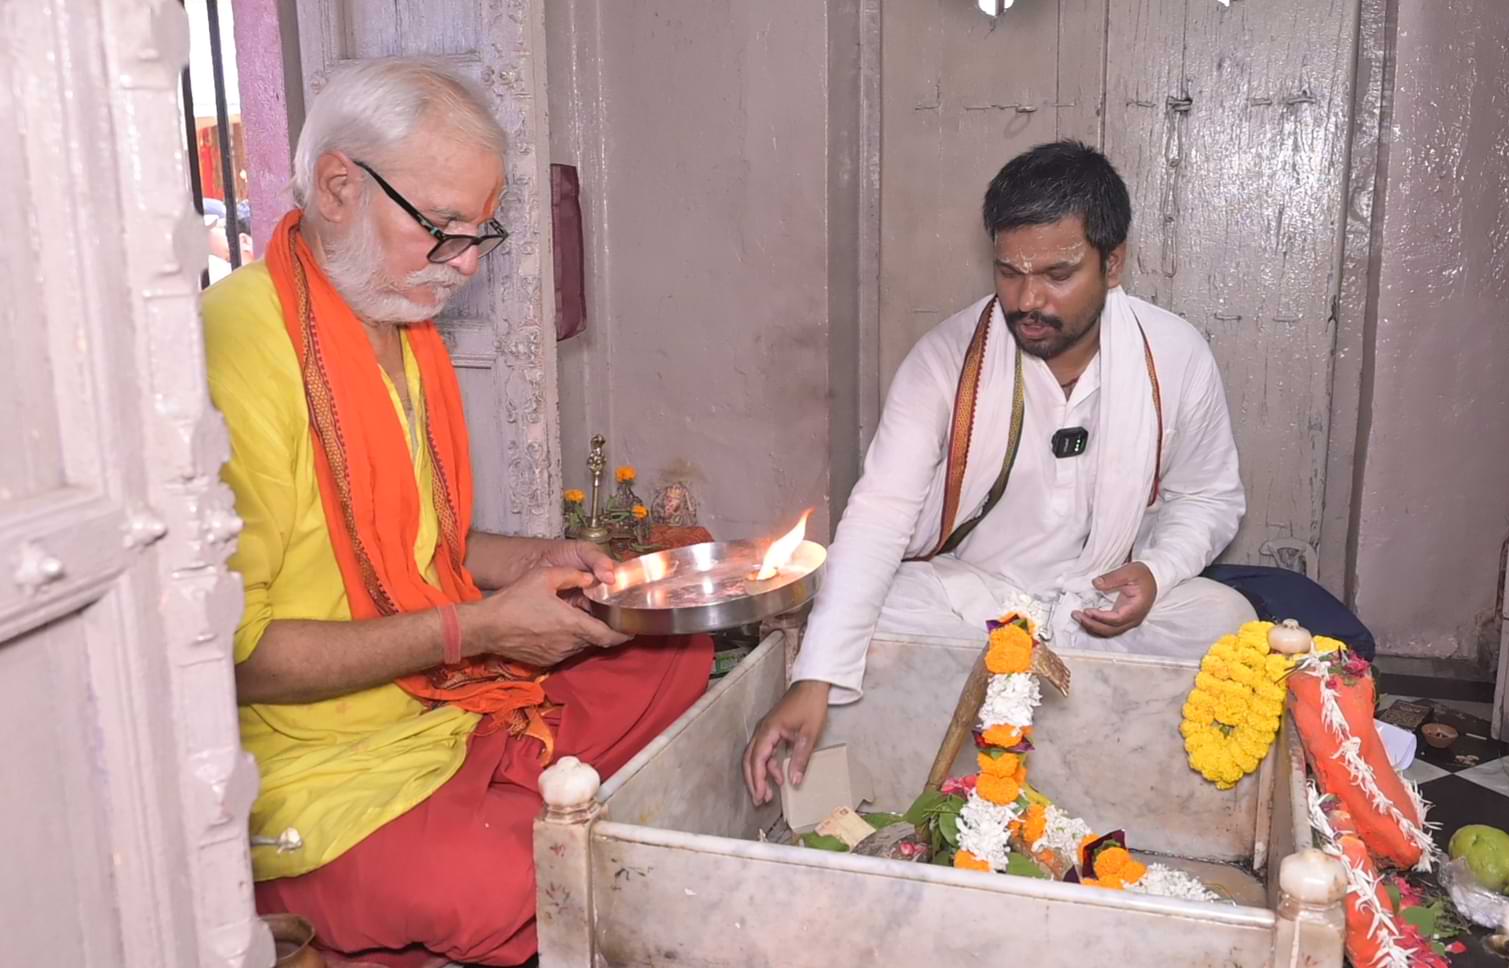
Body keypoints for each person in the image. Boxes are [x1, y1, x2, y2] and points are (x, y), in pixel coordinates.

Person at [201, 60, 713, 967]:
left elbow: (409, 547)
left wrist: (528, 561)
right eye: (442, 229)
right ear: (337, 187)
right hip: (313, 764)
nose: (467, 264)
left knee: (676, 649)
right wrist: (476, 630)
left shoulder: (398, 325)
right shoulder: (238, 348)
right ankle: (348, 868)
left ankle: (514, 803)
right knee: (499, 888)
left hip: (435, 706)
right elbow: (238, 659)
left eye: (481, 234)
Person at [745, 141, 1256, 804]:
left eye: (1057, 273)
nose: (1027, 299)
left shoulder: (1175, 353)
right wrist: (813, 679)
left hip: (1097, 606)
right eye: (1009, 272)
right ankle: (981, 763)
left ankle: (1077, 762)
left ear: (1114, 262)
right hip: (973, 602)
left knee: (1224, 620)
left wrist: (1155, 574)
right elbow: (879, 514)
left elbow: (1208, 498)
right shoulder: (945, 359)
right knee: (850, 623)